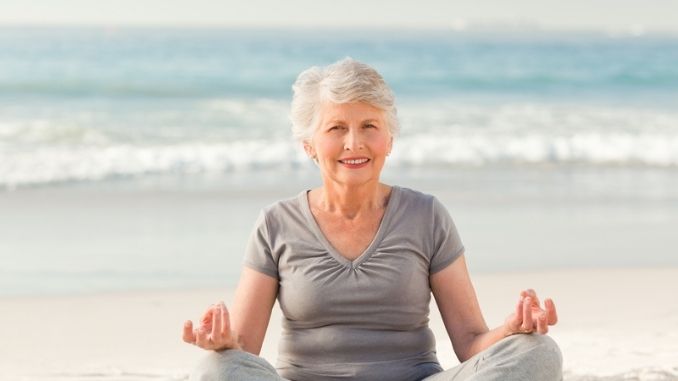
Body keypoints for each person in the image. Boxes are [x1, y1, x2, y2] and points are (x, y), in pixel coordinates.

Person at [182, 58, 562, 381]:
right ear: (309, 145)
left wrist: (513, 329)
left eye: (369, 126)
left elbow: (471, 343)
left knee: (538, 352)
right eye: (336, 128)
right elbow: (245, 349)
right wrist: (222, 344)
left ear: (389, 140)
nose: (354, 143)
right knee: (217, 369)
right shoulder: (275, 224)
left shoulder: (426, 215)